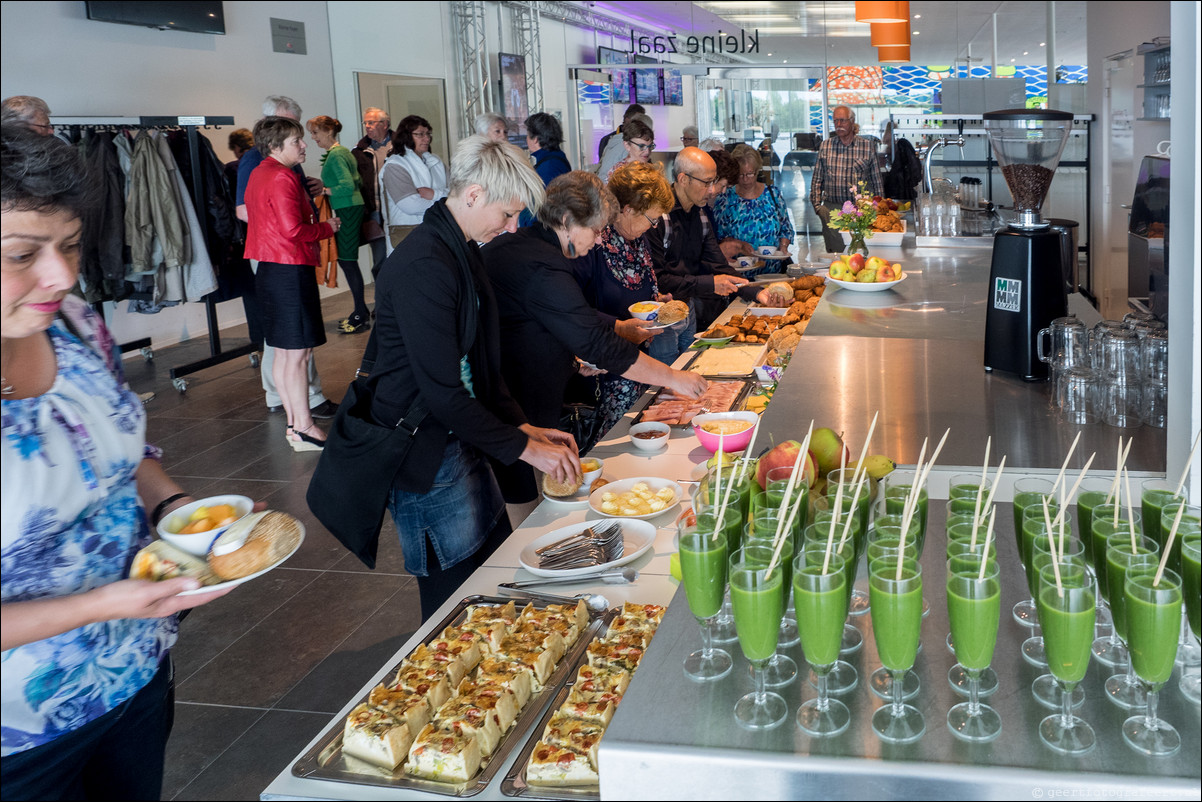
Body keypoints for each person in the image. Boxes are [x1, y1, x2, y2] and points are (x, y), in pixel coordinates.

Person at [0, 119, 231, 800]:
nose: (60, 274)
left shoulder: (73, 323)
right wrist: (104, 603)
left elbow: (120, 449)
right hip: (23, 729)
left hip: (135, 669)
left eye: (70, 246)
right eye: (22, 254)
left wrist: (176, 507)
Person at [368, 135, 579, 619]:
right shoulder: (423, 264)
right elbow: (442, 391)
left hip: (464, 436)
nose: (510, 228)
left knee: (489, 578)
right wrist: (526, 447)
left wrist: (521, 427)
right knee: (453, 604)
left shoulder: (463, 250)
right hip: (424, 450)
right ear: (473, 194)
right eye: (507, 214)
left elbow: (483, 367)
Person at [483, 170, 708, 502]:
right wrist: (674, 378)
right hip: (512, 403)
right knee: (528, 504)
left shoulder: (533, 251)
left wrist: (573, 362)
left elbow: (546, 326)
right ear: (566, 220)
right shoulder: (542, 265)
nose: (601, 240)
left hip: (521, 398)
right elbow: (597, 341)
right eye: (597, 230)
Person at [243, 116, 340, 452]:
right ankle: (304, 426)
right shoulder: (282, 176)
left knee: (286, 355)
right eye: (296, 140)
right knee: (297, 355)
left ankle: (295, 424)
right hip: (289, 269)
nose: (303, 145)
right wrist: (328, 227)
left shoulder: (259, 173)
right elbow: (293, 230)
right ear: (275, 146)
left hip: (271, 270)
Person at [572, 162, 685, 448]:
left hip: (635, 369)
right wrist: (620, 328)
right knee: (611, 453)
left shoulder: (637, 238)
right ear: (627, 209)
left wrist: (657, 302)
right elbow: (572, 309)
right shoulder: (592, 242)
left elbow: (638, 289)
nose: (654, 225)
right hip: (599, 375)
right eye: (651, 217)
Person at [647, 147, 761, 364]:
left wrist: (755, 292)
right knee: (666, 384)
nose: (712, 190)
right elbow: (658, 280)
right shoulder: (658, 216)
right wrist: (710, 284)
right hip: (661, 317)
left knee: (691, 368)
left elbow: (718, 265)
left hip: (687, 310)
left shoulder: (700, 215)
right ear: (683, 179)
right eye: (706, 182)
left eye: (714, 182)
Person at [307, 115, 370, 334]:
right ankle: (360, 311)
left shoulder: (336, 155)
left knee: (347, 260)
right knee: (347, 260)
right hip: (351, 208)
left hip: (348, 209)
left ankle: (360, 313)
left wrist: (324, 190)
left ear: (327, 131)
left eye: (315, 133)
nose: (313, 138)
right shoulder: (342, 152)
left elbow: (346, 186)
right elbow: (357, 181)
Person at [810, 105, 884, 253]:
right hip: (832, 211)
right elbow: (817, 180)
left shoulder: (867, 147)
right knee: (836, 256)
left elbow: (877, 182)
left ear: (852, 121)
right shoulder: (826, 146)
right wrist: (818, 208)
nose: (838, 125)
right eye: (835, 121)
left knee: (860, 254)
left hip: (860, 213)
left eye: (842, 120)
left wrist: (879, 210)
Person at [710, 143, 793, 274]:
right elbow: (717, 237)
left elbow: (786, 228)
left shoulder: (773, 194)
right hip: (739, 272)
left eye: (750, 174)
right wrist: (737, 245)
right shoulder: (725, 198)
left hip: (772, 273)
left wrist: (782, 248)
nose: (745, 180)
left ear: (758, 170)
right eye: (741, 175)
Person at [379, 114, 448, 256]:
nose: (427, 138)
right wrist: (446, 202)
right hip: (407, 234)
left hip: (439, 231)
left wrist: (434, 194)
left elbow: (457, 193)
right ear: (406, 136)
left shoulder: (436, 161)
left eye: (428, 134)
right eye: (420, 134)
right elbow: (411, 206)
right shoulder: (395, 166)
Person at [352, 107, 393, 276]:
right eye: (365, 123)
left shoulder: (401, 146)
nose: (367, 126)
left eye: (371, 122)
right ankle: (383, 299)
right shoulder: (358, 152)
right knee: (380, 260)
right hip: (374, 213)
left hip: (398, 210)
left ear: (385, 124)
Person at [518, 111, 570, 227]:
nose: (526, 139)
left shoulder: (549, 167)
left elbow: (542, 209)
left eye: (527, 135)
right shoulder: (556, 159)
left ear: (535, 139)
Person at [603, 116, 654, 183]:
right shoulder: (619, 174)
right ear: (627, 145)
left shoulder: (649, 168)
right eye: (641, 146)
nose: (647, 152)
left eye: (650, 146)